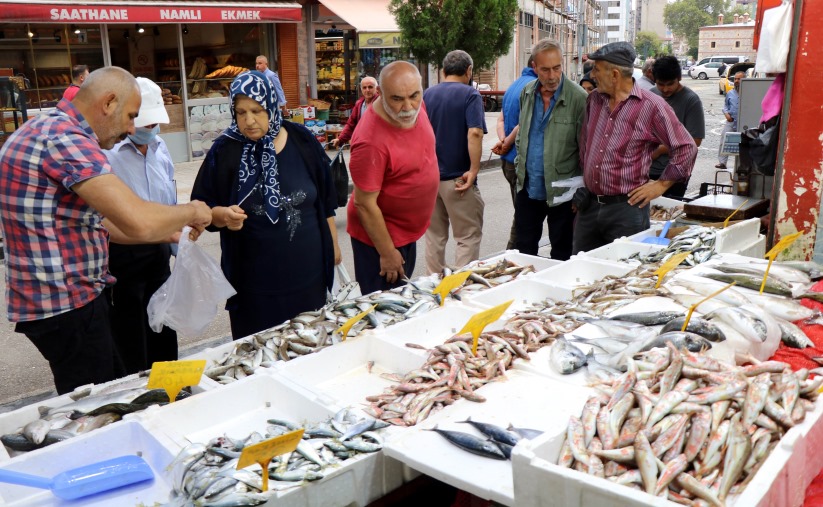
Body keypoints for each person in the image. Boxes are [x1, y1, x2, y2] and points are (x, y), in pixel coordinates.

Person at [0, 66, 212, 394]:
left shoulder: (47, 127)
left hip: (58, 300)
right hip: (65, 303)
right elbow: (136, 219)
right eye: (130, 117)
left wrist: (168, 231)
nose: (131, 129)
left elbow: (106, 222)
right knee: (95, 405)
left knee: (116, 385)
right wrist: (195, 210)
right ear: (109, 103)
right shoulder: (67, 138)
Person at [191, 71, 341, 340]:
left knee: (306, 349)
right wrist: (222, 216)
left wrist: (334, 248)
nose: (249, 121)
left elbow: (325, 200)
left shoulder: (302, 140)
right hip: (254, 287)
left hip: (309, 277)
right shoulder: (225, 151)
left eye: (257, 111)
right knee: (258, 354)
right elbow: (201, 208)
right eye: (241, 112)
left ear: (272, 106)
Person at [572, 42, 697, 254]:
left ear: (614, 75)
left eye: (597, 69)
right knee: (581, 270)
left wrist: (661, 185)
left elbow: (686, 147)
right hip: (589, 207)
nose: (592, 75)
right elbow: (586, 145)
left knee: (624, 272)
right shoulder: (594, 100)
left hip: (626, 210)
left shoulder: (652, 106)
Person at [104, 77, 179, 374]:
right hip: (123, 260)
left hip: (159, 255)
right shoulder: (108, 153)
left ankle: (168, 392)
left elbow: (170, 199)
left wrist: (177, 245)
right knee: (131, 341)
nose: (150, 130)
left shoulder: (161, 148)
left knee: (163, 333)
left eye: (153, 124)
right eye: (144, 124)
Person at [347, 61, 439, 293]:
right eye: (397, 99)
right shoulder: (369, 140)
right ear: (381, 94)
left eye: (414, 96)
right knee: (385, 311)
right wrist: (387, 253)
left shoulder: (416, 107)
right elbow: (364, 204)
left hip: (405, 232)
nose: (408, 107)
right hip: (380, 241)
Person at [512, 39, 587, 260]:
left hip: (563, 192)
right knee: (524, 249)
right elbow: (522, 134)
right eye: (545, 69)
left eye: (557, 68)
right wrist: (519, 169)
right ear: (534, 67)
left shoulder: (579, 98)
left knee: (562, 252)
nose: (552, 76)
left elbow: (586, 149)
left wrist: (581, 190)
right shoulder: (527, 93)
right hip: (529, 187)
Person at [423, 50, 487, 274]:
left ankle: (434, 283)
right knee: (467, 236)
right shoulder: (471, 95)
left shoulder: (427, 95)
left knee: (434, 237)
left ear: (443, 71)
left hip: (430, 179)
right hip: (458, 177)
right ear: (469, 71)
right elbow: (475, 133)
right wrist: (474, 170)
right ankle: (460, 287)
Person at [491, 56, 536, 249]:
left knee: (521, 212)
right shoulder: (533, 86)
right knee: (524, 218)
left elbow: (500, 120)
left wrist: (502, 140)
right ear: (536, 65)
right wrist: (508, 143)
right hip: (519, 159)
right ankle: (513, 253)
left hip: (507, 160)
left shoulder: (513, 85)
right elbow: (524, 121)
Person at [649, 56, 705, 199]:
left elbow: (695, 140)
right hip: (647, 168)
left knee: (666, 211)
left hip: (676, 172)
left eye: (670, 84)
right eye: (661, 84)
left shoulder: (691, 100)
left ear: (679, 78)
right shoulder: (650, 94)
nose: (665, 89)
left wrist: (661, 150)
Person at [331, 76, 379, 149]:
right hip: (363, 144)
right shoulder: (359, 104)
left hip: (379, 145)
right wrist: (340, 139)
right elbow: (351, 125)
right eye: (364, 87)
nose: (367, 90)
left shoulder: (382, 104)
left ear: (377, 89)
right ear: (361, 90)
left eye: (370, 87)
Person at [717, 71, 745, 169]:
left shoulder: (748, 93)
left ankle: (743, 164)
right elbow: (725, 106)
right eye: (735, 79)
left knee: (743, 143)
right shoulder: (730, 93)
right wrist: (726, 114)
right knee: (724, 139)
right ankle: (722, 163)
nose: (737, 81)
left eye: (739, 79)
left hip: (743, 123)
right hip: (731, 121)